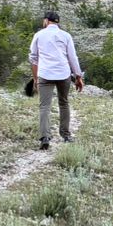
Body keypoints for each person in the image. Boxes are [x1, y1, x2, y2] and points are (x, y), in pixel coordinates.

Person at [28, 10, 83, 149]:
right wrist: (78, 76)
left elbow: (33, 58)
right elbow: (73, 57)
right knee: (64, 103)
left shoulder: (39, 35)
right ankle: (66, 135)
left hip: (45, 74)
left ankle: (45, 137)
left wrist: (35, 78)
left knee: (44, 106)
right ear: (57, 22)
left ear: (46, 21)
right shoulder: (66, 36)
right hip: (63, 74)